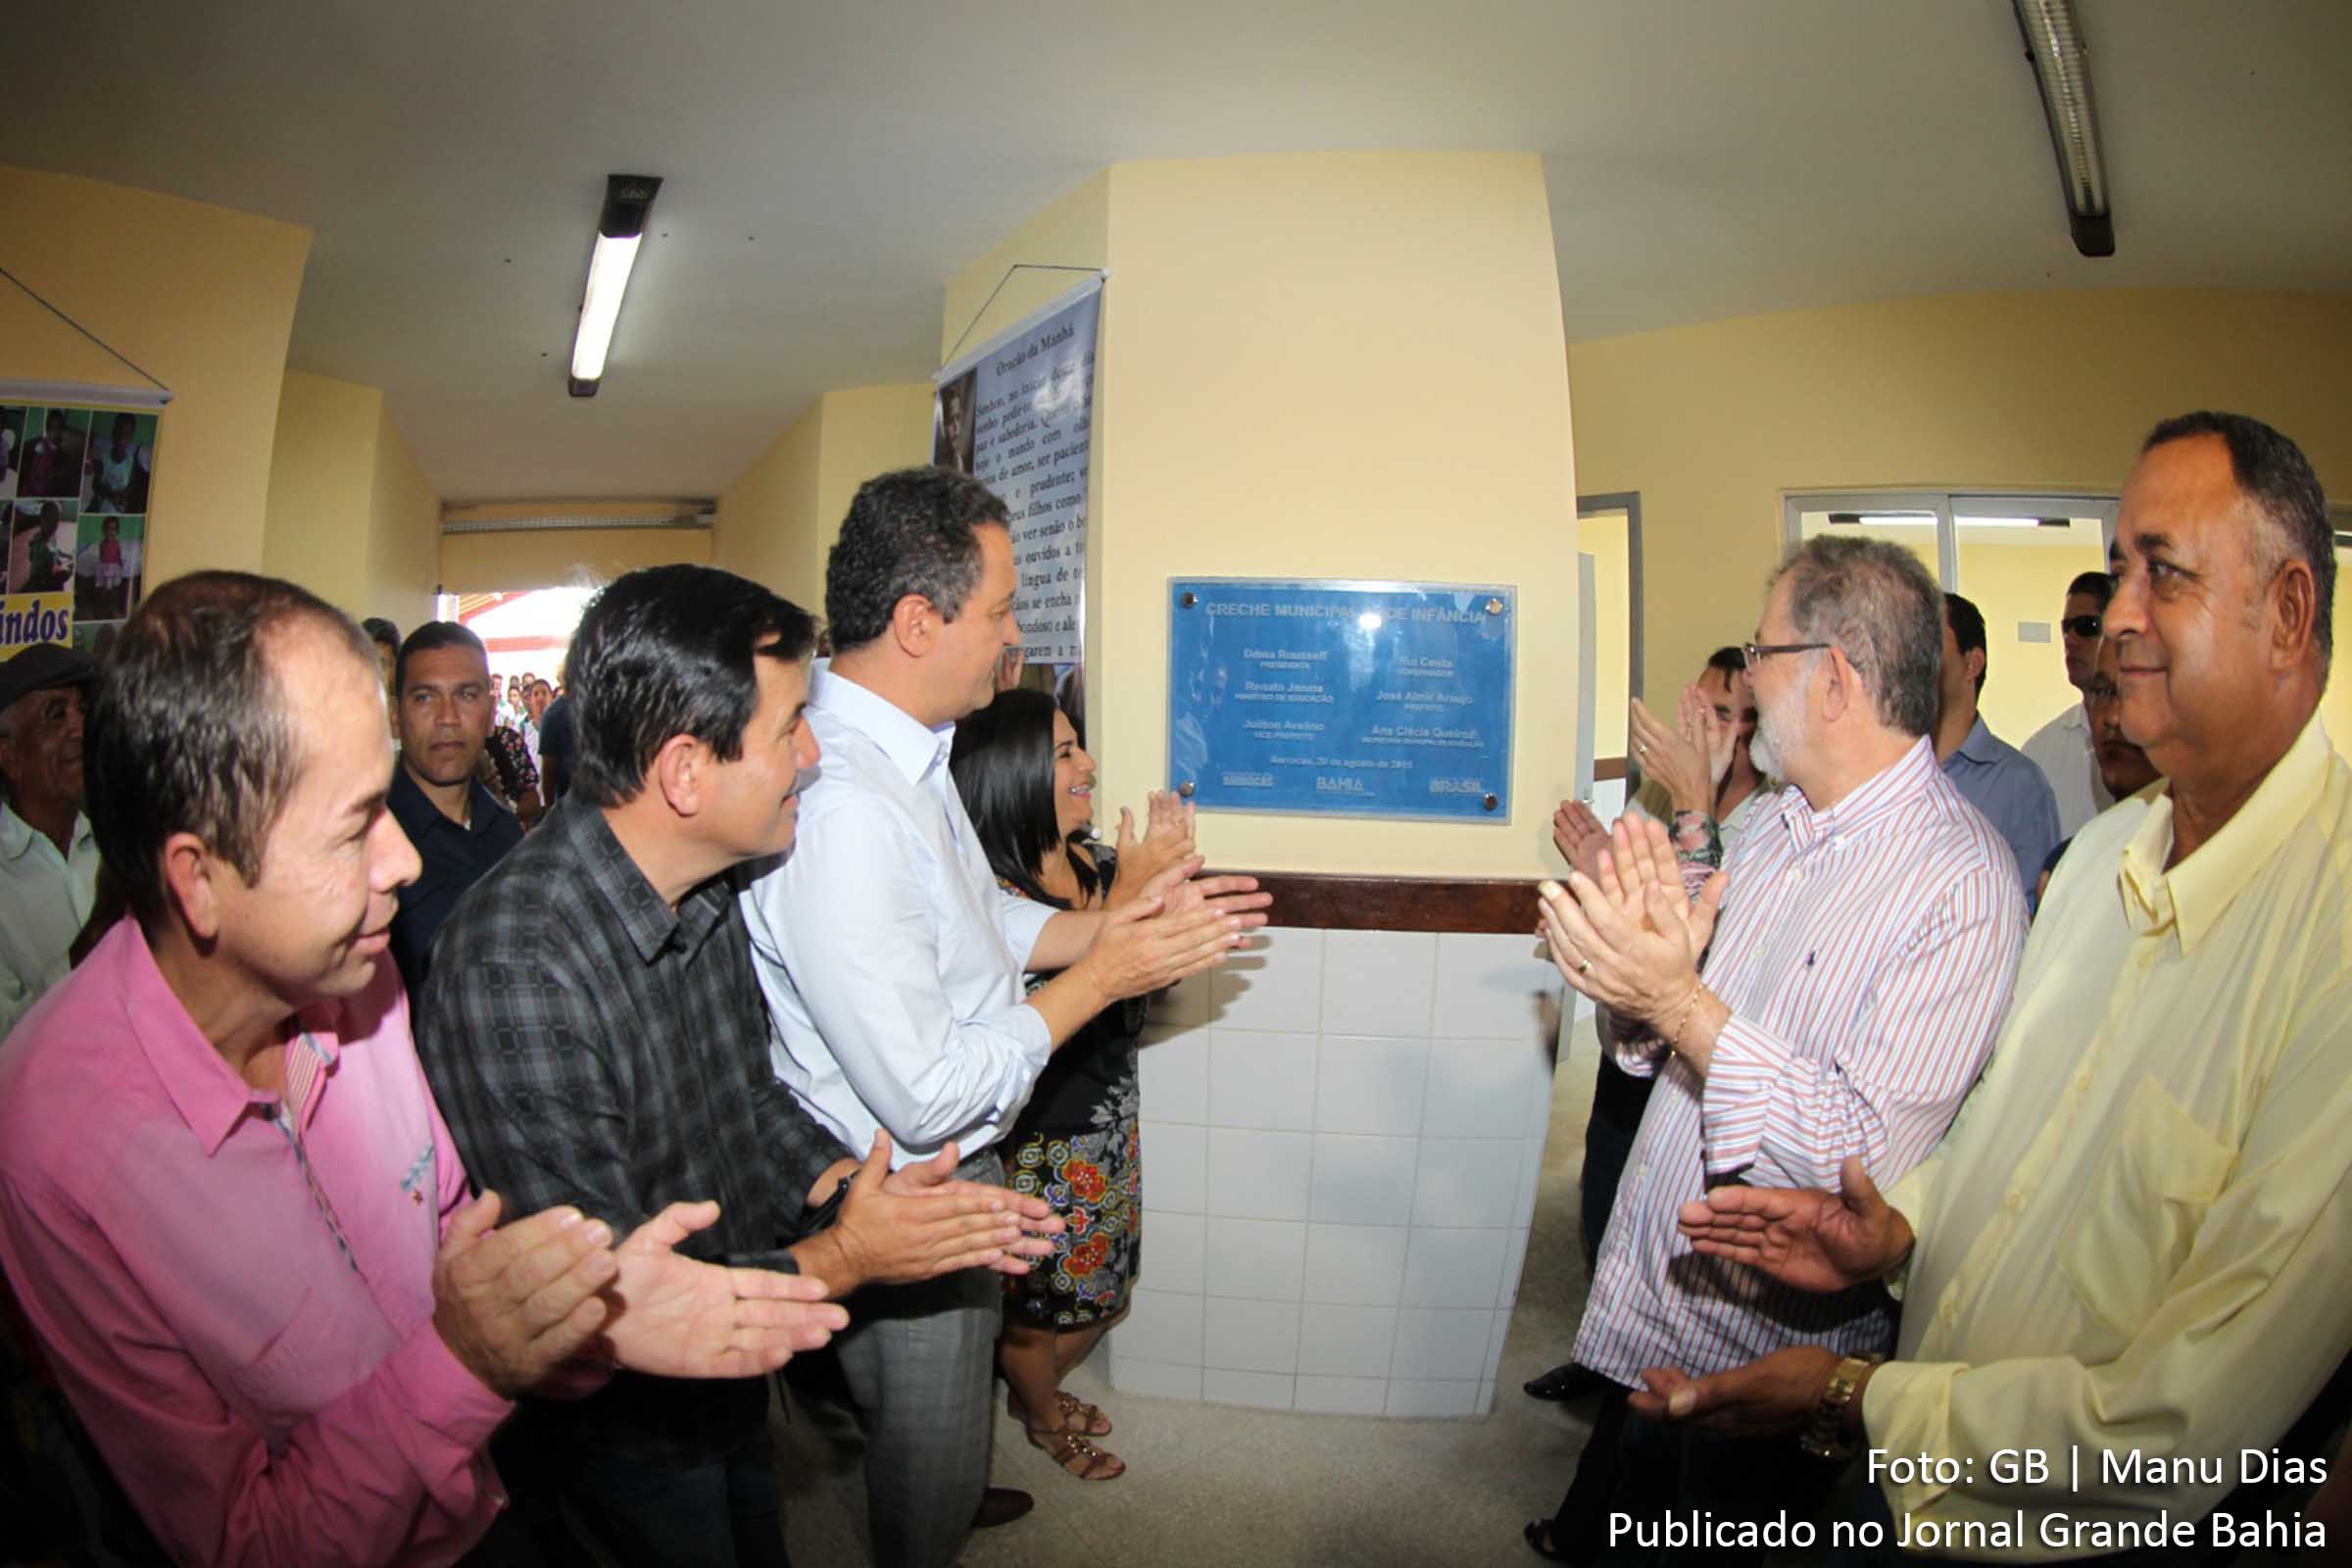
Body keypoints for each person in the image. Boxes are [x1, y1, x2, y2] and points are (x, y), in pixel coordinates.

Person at [0, 570, 847, 1568]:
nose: (403, 861)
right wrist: (476, 1356)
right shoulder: (56, 1142)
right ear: (201, 880)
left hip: (505, 1482)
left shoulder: (358, 978)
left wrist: (583, 1318)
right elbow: (246, 1541)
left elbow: (458, 1241)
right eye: (357, 824)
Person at [1659, 413, 2352, 1557]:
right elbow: (2009, 1134)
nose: (2116, 617)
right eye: (2120, 567)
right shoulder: (2100, 863)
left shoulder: (2329, 938)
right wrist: (1892, 1233)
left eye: (2161, 573)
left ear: (2286, 612)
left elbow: (2187, 1432)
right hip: (1912, 1476)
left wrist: (1859, 1397)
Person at [416, 564, 1067, 1567]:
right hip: (619, 1430)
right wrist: (852, 1256)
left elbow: (748, 1100)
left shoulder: (704, 888)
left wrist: (847, 1187)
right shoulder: (517, 962)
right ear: (685, 771)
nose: (811, 757)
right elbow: (601, 1301)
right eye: (787, 729)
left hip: (730, 1376)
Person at [741, 466, 1271, 1568]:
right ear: (918, 622)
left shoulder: (913, 757)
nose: (1015, 639)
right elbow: (925, 1092)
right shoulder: (844, 806)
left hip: (963, 1157)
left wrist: (1116, 926)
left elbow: (981, 915)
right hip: (909, 1185)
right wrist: (1110, 974)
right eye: (1001, 613)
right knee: (926, 1471)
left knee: (946, 1441)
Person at [1526, 534, 2026, 1563]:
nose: (1747, 678)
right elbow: (1670, 1045)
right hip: (1661, 1312)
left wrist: (1673, 1001)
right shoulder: (1769, 829)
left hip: (1766, 1368)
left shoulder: (1961, 884)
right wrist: (1631, 988)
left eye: (1763, 654)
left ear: (1834, 677)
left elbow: (1863, 1164)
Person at [950, 689, 1199, 1481]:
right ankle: (1044, 1415)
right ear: (1013, 774)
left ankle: (1030, 1396)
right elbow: (1054, 1009)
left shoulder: (1093, 858)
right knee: (1035, 1309)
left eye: (1078, 746)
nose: (1087, 763)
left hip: (1107, 1118)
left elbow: (1132, 995)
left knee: (1104, 1290)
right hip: (1035, 1146)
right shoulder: (989, 896)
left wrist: (1155, 897)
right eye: (1064, 753)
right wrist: (1134, 902)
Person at [1526, 647, 1779, 1406]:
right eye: (1700, 711)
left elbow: (1721, 950)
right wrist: (1602, 862)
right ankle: (1602, 1353)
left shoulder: (1771, 819)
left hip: (1703, 1066)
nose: (1709, 730)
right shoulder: (1658, 802)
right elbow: (1614, 908)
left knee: (1679, 1235)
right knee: (1607, 1203)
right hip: (1627, 1050)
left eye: (1730, 716)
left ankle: (1643, 1391)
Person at [387, 622, 525, 992]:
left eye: (465, 695)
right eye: (424, 698)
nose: (447, 718)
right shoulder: (370, 843)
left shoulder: (509, 834)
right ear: (395, 715)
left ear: (491, 711)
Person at [0, 645, 99, 1037]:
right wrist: (88, 948)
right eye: (56, 716)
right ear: (10, 758)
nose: (79, 728)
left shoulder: (120, 847)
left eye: (81, 710)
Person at [1936, 590, 2061, 890]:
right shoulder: (1887, 772)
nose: (1912, 659)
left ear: (1971, 664)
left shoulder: (2020, 785)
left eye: (1929, 644)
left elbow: (2036, 919)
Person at [2032, 633, 2160, 906]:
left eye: (2133, 692)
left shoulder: (2216, 862)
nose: (2113, 717)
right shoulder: (2068, 867)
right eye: (2103, 692)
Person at [2018, 569, 2118, 837]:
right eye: (2066, 628)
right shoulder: (2038, 754)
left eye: (2086, 627)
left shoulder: (2155, 746)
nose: (2070, 640)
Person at [84, 412, 152, 515]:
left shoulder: (131, 462)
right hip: (98, 509)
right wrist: (110, 495)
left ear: (131, 437)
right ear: (113, 433)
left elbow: (130, 484)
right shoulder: (103, 459)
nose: (121, 438)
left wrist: (123, 495)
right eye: (118, 432)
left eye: (126, 434)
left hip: (117, 512)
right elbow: (95, 485)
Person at [17, 411, 78, 499]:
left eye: (60, 428)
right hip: (32, 492)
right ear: (47, 430)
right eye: (53, 428)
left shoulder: (64, 456)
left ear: (64, 430)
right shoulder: (38, 448)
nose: (57, 432)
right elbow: (32, 477)